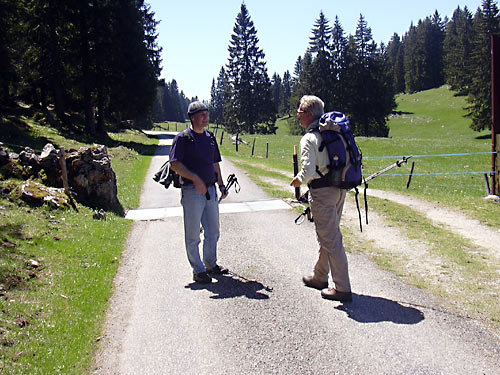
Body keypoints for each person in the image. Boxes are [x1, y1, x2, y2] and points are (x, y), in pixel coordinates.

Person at [290, 95, 352, 302]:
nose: (298, 116)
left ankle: (342, 288)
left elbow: (307, 172)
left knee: (331, 239)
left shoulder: (309, 138)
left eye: (300, 112)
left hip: (322, 192)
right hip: (339, 188)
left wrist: (297, 181)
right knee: (329, 235)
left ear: (307, 114)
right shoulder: (331, 133)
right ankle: (319, 276)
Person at [169, 101, 229, 284]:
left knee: (213, 231)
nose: (206, 117)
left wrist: (221, 184)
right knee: (193, 234)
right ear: (193, 117)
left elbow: (214, 163)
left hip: (210, 189)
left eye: (206, 113)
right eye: (202, 114)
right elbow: (175, 164)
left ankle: (210, 264)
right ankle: (198, 270)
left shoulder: (210, 137)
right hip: (191, 191)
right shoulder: (183, 138)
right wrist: (195, 179)